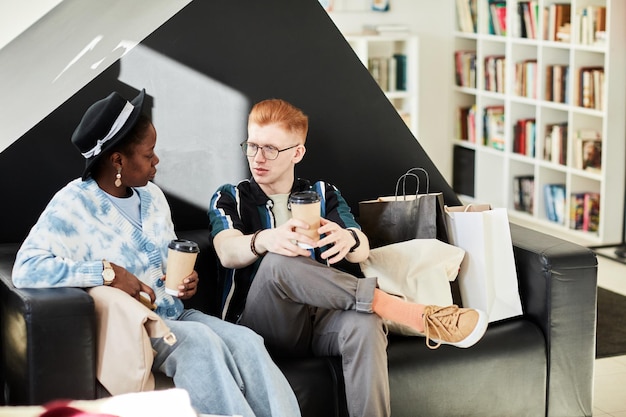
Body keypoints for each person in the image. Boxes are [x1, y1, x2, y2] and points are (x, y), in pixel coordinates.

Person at [12, 90, 301, 417]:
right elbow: (26, 268)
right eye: (149, 154)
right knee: (199, 344)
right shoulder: (73, 205)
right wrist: (108, 273)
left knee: (249, 342)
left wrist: (186, 281)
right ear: (118, 160)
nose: (157, 161)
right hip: (137, 326)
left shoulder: (152, 198)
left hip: (176, 313)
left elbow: (167, 265)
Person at [208, 98, 489, 417]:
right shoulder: (231, 196)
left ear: (297, 153)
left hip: (323, 318)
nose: (258, 158)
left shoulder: (323, 193)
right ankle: (403, 309)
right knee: (279, 262)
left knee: (365, 322)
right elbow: (227, 251)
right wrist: (267, 239)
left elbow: (361, 247)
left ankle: (381, 312)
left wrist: (349, 238)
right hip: (260, 326)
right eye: (252, 146)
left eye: (271, 149)